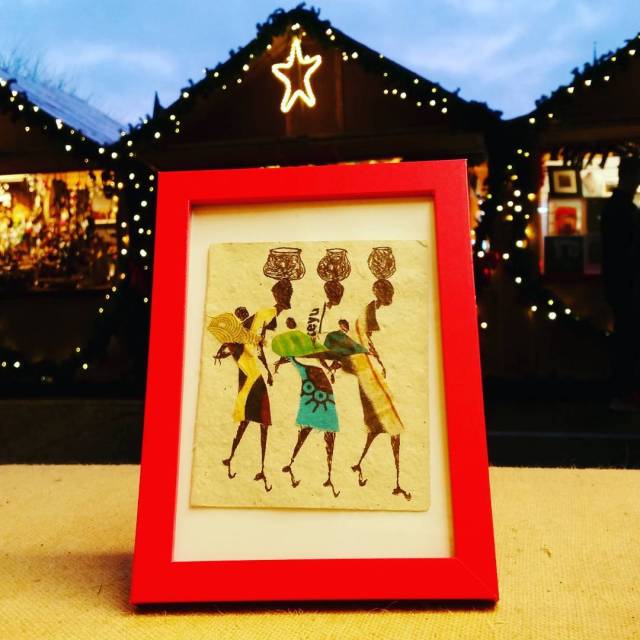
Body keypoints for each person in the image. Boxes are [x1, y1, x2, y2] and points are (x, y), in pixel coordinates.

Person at [214, 279, 293, 491]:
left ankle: (249, 463)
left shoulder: (266, 317)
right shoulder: (265, 314)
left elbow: (256, 347)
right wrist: (228, 351)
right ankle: (250, 464)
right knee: (258, 419)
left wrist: (268, 370)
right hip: (250, 371)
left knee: (252, 419)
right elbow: (248, 341)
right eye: (284, 297)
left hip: (251, 370)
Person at [341, 279, 411, 500]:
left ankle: (363, 465)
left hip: (370, 373)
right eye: (385, 293)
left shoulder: (370, 315)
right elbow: (363, 343)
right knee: (390, 427)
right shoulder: (367, 314)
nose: (388, 298)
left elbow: (368, 342)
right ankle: (396, 480)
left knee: (378, 428)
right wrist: (377, 361)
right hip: (369, 375)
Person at [275, 317, 341, 497]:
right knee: (316, 430)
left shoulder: (308, 353)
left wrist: (332, 368)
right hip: (316, 391)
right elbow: (307, 361)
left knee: (319, 430)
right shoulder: (305, 354)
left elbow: (322, 362)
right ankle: (296, 464)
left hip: (317, 391)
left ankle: (325, 473)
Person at [601, 156, 640, 412]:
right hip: (627, 283)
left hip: (621, 282)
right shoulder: (623, 209)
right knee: (628, 338)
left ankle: (623, 392)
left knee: (626, 337)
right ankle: (623, 393)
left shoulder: (617, 207)